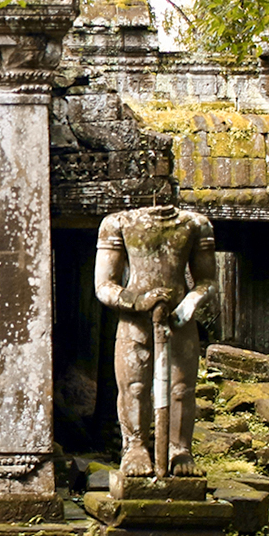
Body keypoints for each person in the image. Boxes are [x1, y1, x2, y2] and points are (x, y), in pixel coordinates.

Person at [94, 203, 216, 478]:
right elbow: (103, 285)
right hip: (135, 320)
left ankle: (179, 449)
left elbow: (207, 281)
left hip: (178, 318)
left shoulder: (196, 224)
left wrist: (188, 305)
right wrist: (138, 301)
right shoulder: (118, 223)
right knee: (135, 387)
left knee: (181, 389)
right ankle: (135, 446)